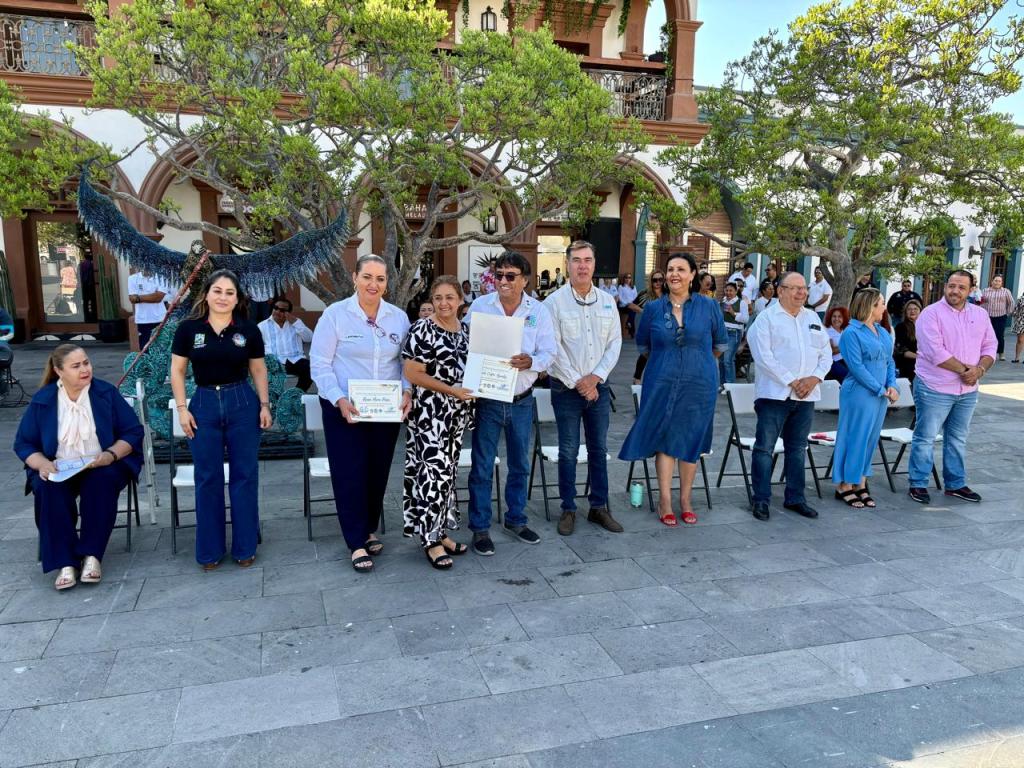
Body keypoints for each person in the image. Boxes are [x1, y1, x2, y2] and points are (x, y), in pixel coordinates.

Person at [311, 254, 412, 572]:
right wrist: (338, 398)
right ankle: (355, 541)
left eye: (380, 279)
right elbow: (320, 363)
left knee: (377, 471)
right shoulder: (336, 315)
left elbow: (406, 363)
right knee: (350, 473)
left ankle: (367, 528)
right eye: (367, 277)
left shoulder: (398, 318)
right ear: (355, 277)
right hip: (345, 409)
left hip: (385, 409)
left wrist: (407, 390)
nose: (374, 284)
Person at [13, 345, 144, 590]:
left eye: (86, 363)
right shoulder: (44, 400)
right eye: (76, 366)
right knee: (48, 487)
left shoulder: (106, 393)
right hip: (60, 466)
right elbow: (23, 443)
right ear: (58, 371)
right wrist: (42, 464)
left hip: (101, 463)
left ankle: (92, 555)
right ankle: (65, 562)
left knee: (101, 483)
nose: (85, 369)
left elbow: (133, 431)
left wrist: (110, 455)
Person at [171, 270, 273, 570]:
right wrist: (181, 409)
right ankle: (209, 551)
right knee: (207, 478)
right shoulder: (188, 329)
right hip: (202, 404)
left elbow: (258, 370)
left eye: (230, 292)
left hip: (242, 401)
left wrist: (264, 405)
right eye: (218, 291)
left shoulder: (249, 330)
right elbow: (177, 371)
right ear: (206, 294)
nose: (223, 297)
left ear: (237, 298)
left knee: (244, 475)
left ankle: (244, 547)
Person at [620, 253, 726, 525]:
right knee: (664, 437)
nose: (674, 274)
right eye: (670, 269)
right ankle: (665, 500)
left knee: (690, 437)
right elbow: (643, 345)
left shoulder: (708, 306)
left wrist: (696, 362)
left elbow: (720, 344)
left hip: (699, 383)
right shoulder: (654, 309)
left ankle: (686, 499)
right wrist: (669, 361)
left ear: (693, 275)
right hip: (660, 381)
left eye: (681, 269)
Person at [466, 251, 556, 555]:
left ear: (525, 280)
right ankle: (480, 527)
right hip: (489, 399)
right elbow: (463, 346)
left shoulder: (539, 312)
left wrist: (531, 361)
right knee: (481, 466)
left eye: (510, 276)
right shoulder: (480, 307)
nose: (503, 281)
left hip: (521, 401)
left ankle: (515, 519)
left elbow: (549, 353)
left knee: (519, 465)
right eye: (499, 275)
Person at [546, 241, 623, 536]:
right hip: (566, 390)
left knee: (598, 449)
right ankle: (568, 508)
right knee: (567, 451)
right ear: (567, 264)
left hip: (598, 389)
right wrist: (580, 382)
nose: (582, 265)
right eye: (576, 260)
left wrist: (596, 378)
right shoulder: (553, 303)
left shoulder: (607, 301)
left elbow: (615, 343)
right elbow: (553, 349)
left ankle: (599, 507)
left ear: (594, 264)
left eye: (587, 260)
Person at [746, 272, 833, 521]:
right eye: (794, 288)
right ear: (780, 290)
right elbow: (763, 357)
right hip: (774, 396)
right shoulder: (766, 320)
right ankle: (761, 500)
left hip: (806, 396)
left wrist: (814, 378)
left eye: (803, 288)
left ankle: (795, 498)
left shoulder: (813, 317)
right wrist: (793, 381)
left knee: (797, 448)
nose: (801, 293)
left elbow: (826, 353)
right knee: (764, 449)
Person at [402, 276, 475, 569]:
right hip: (430, 414)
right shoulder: (422, 329)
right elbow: (413, 373)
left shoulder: (465, 331)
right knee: (431, 474)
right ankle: (430, 541)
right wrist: (452, 390)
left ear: (460, 300)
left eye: (449, 297)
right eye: (438, 297)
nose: (443, 303)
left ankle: (440, 531)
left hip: (456, 415)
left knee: (448, 474)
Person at [907, 270, 996, 505]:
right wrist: (967, 371)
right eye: (952, 286)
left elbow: (990, 346)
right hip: (934, 387)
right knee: (925, 437)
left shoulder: (980, 314)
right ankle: (918, 484)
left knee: (957, 438)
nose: (955, 291)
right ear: (945, 286)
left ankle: (955, 484)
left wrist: (980, 370)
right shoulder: (931, 314)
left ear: (970, 290)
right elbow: (935, 351)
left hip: (967, 391)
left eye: (961, 287)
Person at [832, 289, 899, 509]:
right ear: (870, 306)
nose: (884, 308)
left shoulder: (882, 332)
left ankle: (860, 482)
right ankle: (844, 485)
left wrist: (893, 386)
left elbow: (890, 362)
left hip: (879, 394)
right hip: (859, 394)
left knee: (870, 438)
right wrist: (880, 389)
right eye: (881, 303)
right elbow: (856, 368)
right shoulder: (851, 332)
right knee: (855, 437)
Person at [258, 296, 314, 391]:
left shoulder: (296, 323)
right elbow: (256, 346)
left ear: (288, 312)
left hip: (295, 360)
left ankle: (295, 395)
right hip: (273, 362)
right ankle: (275, 398)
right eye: (276, 308)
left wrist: (295, 323)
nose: (278, 312)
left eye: (282, 310)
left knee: (312, 368)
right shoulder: (262, 325)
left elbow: (309, 338)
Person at [627, 268, 665, 383]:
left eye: (660, 280)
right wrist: (644, 311)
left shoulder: (669, 295)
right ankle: (637, 377)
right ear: (651, 281)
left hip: (665, 328)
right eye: (655, 280)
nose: (658, 282)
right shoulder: (645, 294)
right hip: (650, 328)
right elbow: (631, 305)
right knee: (646, 352)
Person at [127, 268, 168, 349]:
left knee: (162, 348)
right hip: (143, 320)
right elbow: (132, 299)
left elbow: (158, 298)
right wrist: (153, 295)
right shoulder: (132, 278)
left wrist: (138, 298)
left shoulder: (162, 277)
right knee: (145, 350)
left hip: (160, 319)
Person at [718, 281, 749, 384]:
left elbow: (745, 319)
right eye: (726, 290)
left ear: (736, 291)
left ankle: (730, 384)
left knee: (728, 359)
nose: (728, 293)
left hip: (734, 333)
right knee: (721, 360)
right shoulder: (722, 302)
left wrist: (733, 313)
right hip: (722, 333)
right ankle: (723, 384)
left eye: (731, 290)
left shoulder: (742, 303)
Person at [980, 274, 1015, 361]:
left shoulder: (1006, 291)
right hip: (988, 317)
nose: (997, 282)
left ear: (1001, 282)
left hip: (1000, 317)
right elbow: (980, 301)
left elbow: (1011, 302)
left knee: (999, 335)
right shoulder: (985, 291)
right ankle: (987, 353)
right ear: (992, 281)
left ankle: (1001, 353)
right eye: (996, 280)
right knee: (986, 336)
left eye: (999, 281)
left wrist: (1008, 313)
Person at [893, 299, 922, 381]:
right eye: (909, 309)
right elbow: (901, 350)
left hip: (923, 367)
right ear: (905, 312)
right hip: (907, 367)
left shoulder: (926, 327)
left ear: (920, 311)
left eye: (915, 309)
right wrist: (921, 358)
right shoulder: (901, 327)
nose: (912, 311)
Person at [825, 306, 850, 382]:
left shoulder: (845, 331)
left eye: (839, 317)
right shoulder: (827, 331)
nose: (836, 319)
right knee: (847, 376)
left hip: (847, 360)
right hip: (834, 362)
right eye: (834, 316)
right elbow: (830, 351)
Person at [616, 273, 638, 338]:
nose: (628, 279)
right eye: (626, 277)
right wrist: (627, 303)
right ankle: (632, 332)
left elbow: (636, 297)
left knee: (632, 311)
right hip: (623, 306)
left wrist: (632, 303)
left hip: (631, 305)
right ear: (624, 279)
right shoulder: (621, 287)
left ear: (631, 279)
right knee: (633, 311)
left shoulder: (633, 287)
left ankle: (628, 323)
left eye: (629, 278)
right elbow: (619, 298)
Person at [1011, 290, 1024, 363]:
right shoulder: (1021, 299)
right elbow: (1015, 311)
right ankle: (1017, 358)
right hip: (1021, 321)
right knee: (1020, 340)